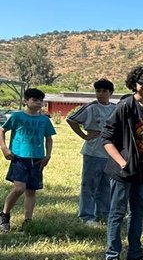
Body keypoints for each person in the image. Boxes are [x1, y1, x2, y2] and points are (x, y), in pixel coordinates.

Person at [100, 66, 143, 260]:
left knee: (138, 212)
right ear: (134, 84)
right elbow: (106, 138)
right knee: (117, 212)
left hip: (141, 170)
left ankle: (135, 253)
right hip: (122, 170)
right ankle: (111, 257)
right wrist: (121, 161)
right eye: (142, 81)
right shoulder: (125, 106)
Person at [0, 88, 56, 232]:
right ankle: (4, 215)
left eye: (41, 100)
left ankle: (28, 221)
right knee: (19, 188)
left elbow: (49, 138)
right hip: (19, 157)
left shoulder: (44, 120)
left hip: (37, 159)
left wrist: (48, 155)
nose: (38, 103)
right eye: (35, 100)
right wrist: (4, 148)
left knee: (31, 191)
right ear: (26, 101)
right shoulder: (17, 116)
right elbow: (2, 130)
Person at [66, 79, 115, 226]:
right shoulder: (91, 107)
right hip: (93, 151)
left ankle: (104, 213)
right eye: (98, 91)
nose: (101, 94)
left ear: (111, 93)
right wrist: (84, 135)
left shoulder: (115, 108)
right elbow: (72, 120)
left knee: (106, 185)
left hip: (110, 153)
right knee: (89, 185)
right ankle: (86, 216)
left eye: (104, 91)